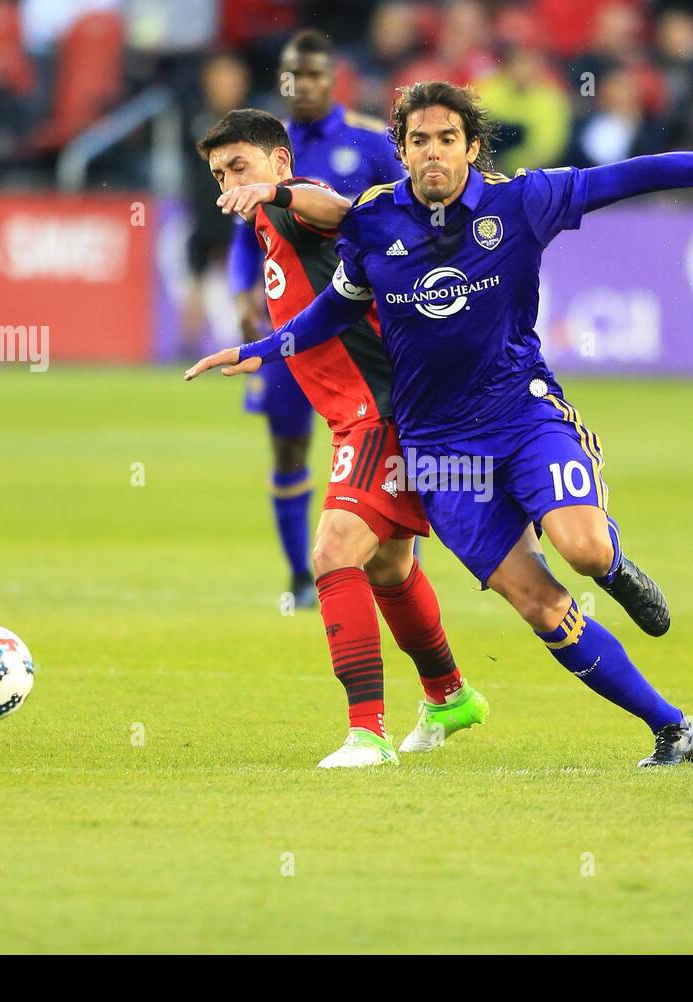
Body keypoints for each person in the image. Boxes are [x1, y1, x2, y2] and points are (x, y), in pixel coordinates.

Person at [187, 81, 693, 766]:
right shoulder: (375, 222)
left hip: (521, 413)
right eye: (419, 141)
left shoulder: (521, 202)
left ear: (471, 146)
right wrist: (260, 350)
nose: (433, 152)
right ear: (403, 152)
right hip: (438, 450)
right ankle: (672, 728)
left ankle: (615, 568)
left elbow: (638, 173)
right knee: (538, 605)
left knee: (584, 550)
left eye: (447, 138)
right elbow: (334, 306)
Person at [188, 109, 483, 768]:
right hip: (364, 414)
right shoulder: (265, 227)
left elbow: (341, 209)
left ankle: (367, 733)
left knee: (333, 552)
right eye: (219, 173)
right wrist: (261, 350)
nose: (229, 183)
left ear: (281, 164)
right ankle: (449, 697)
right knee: (388, 566)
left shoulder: (296, 205)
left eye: (240, 167)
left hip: (380, 412)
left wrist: (277, 192)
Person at [228, 30, 402, 610]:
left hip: (360, 327)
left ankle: (393, 567)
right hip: (288, 329)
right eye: (293, 78)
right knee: (288, 449)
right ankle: (299, 580)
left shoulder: (371, 143)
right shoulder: (263, 147)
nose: (303, 87)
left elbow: (398, 220)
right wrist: (241, 292)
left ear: (333, 81)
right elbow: (241, 237)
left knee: (385, 448)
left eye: (315, 77)